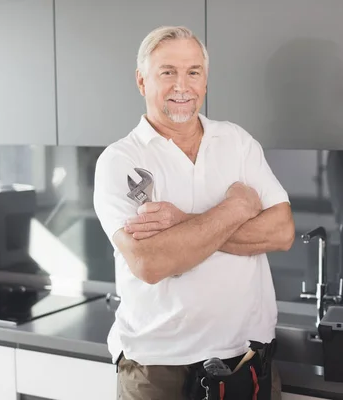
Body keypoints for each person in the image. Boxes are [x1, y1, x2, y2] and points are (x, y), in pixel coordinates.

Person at [93, 25, 295, 400]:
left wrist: (182, 223)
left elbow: (281, 232)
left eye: (193, 72)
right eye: (167, 72)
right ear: (141, 81)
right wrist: (237, 207)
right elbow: (150, 263)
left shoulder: (235, 141)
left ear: (205, 79)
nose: (181, 86)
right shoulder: (120, 160)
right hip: (157, 367)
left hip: (245, 358)